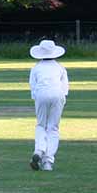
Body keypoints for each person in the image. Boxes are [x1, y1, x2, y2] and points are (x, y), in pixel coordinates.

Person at [28, 40, 69, 171]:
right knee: (53, 128)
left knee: (41, 125)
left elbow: (33, 86)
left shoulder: (36, 68)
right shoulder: (60, 67)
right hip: (57, 94)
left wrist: (37, 98)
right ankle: (48, 162)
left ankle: (39, 150)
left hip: (41, 94)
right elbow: (65, 88)